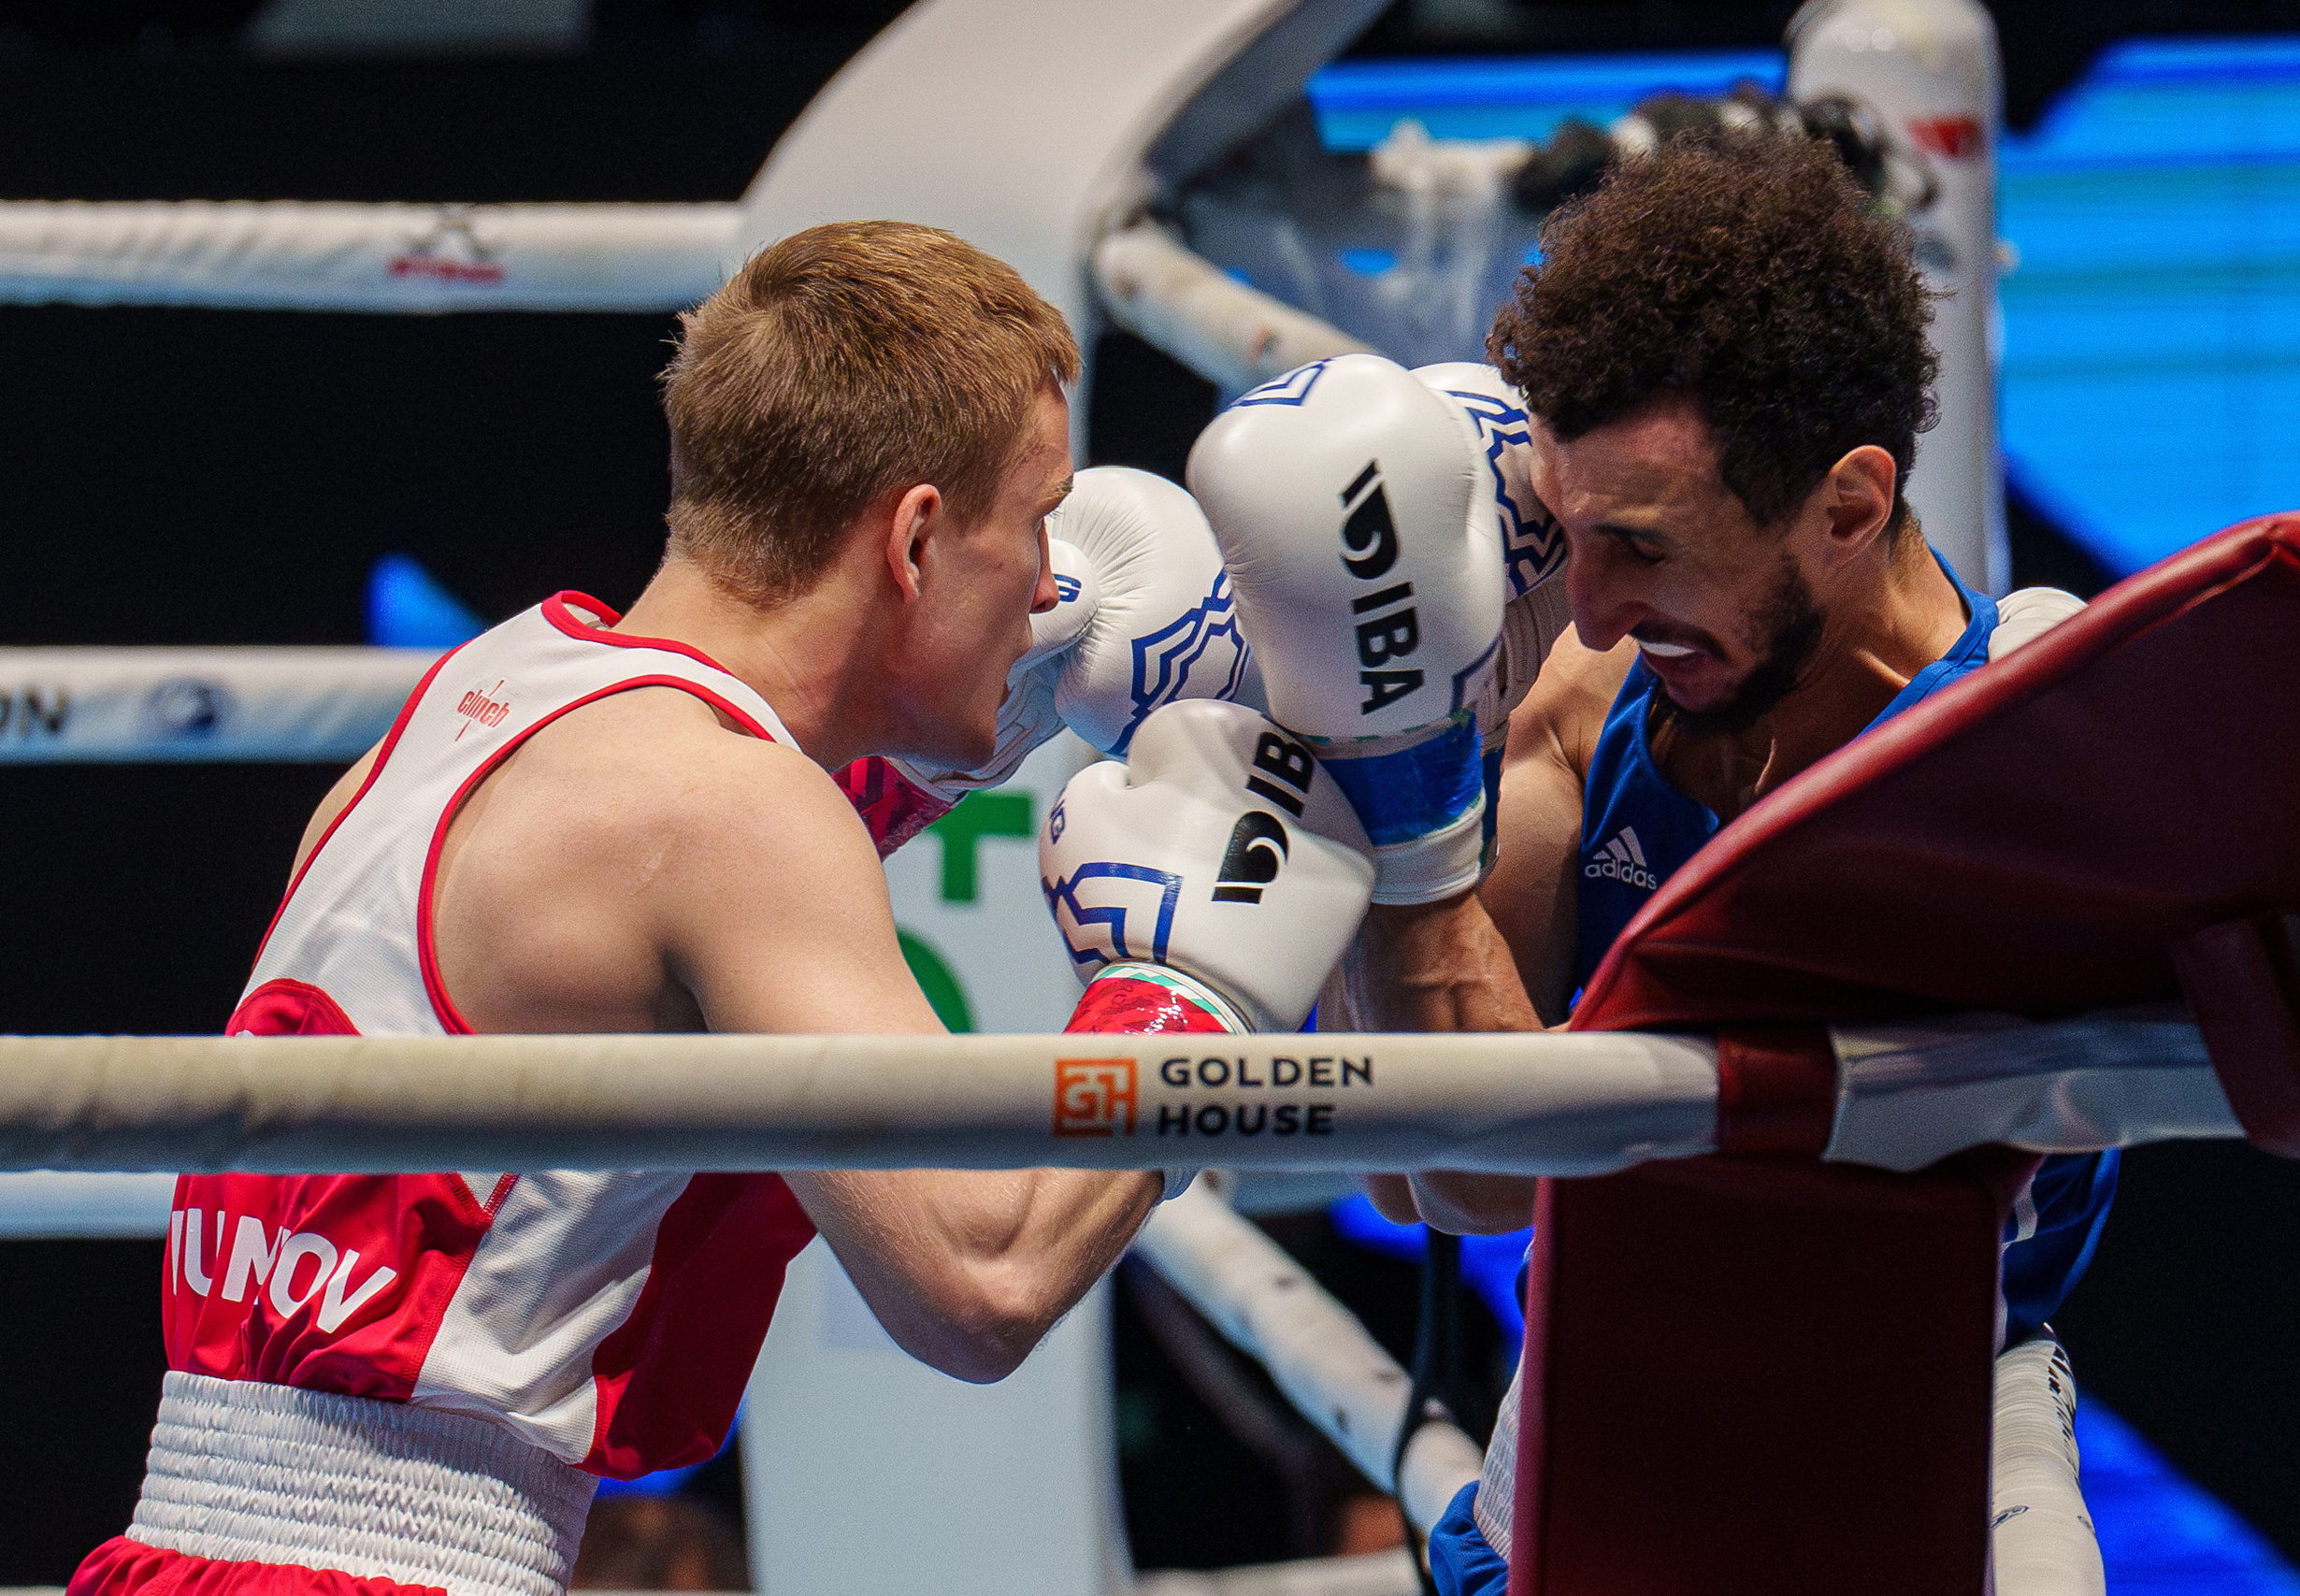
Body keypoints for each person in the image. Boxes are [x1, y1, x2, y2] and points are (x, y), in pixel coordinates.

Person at [67, 221, 1361, 1596]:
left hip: (181, 1550)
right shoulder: (733, 814)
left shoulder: (494, 690)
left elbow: (695, 874)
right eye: (1035, 520)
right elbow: (983, 1278)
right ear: (916, 536)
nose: (1052, 584)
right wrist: (1189, 994)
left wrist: (987, 714)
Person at [1190, 136, 2117, 1594]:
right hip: (1587, 1422)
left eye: (1643, 548)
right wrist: (1403, 766)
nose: (1597, 610)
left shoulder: (2033, 742)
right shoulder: (1587, 700)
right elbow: (1430, 1178)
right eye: (1568, 539)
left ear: (1850, 507)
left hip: (1924, 1438)